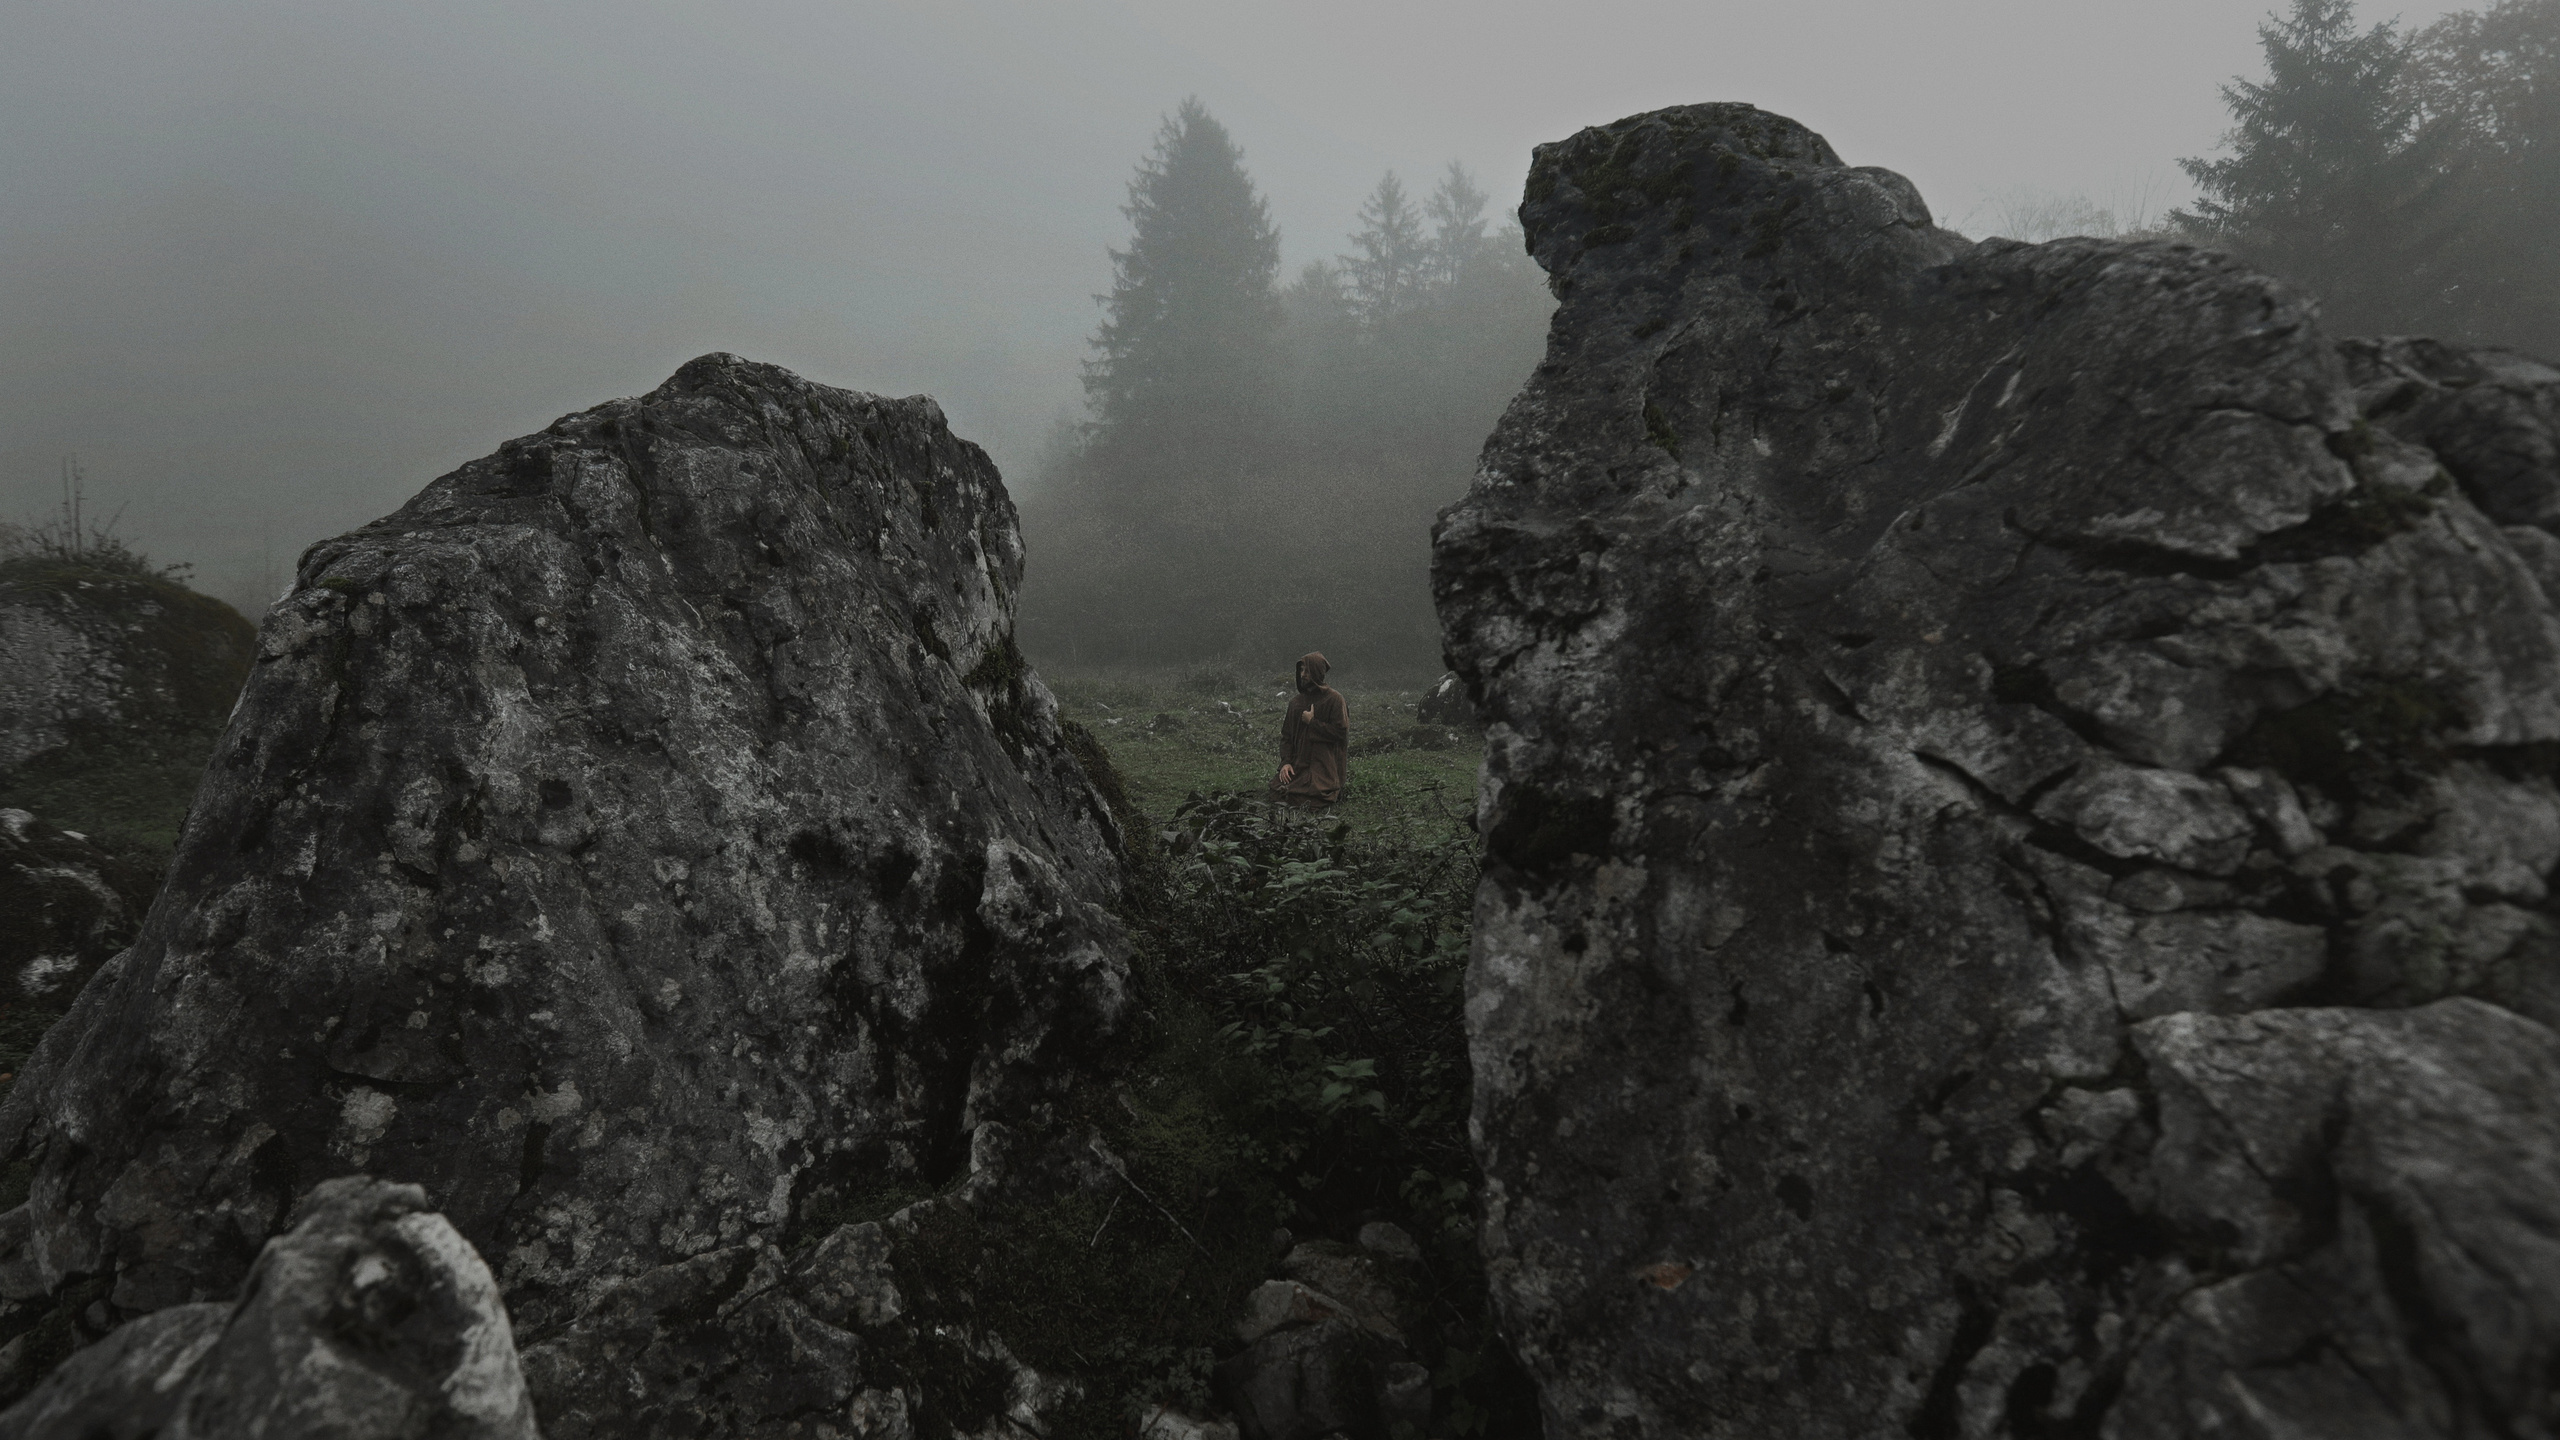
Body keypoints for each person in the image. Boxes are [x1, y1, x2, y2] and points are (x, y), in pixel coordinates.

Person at [1269, 651, 1349, 808]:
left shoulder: (1335, 699)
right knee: (1277, 790)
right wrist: (1286, 763)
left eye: (1307, 670)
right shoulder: (1296, 703)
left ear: (1317, 672)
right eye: (1301, 670)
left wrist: (1312, 723)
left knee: (1316, 797)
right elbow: (1286, 736)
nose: (1303, 675)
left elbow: (1340, 733)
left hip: (1323, 765)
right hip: (1299, 764)